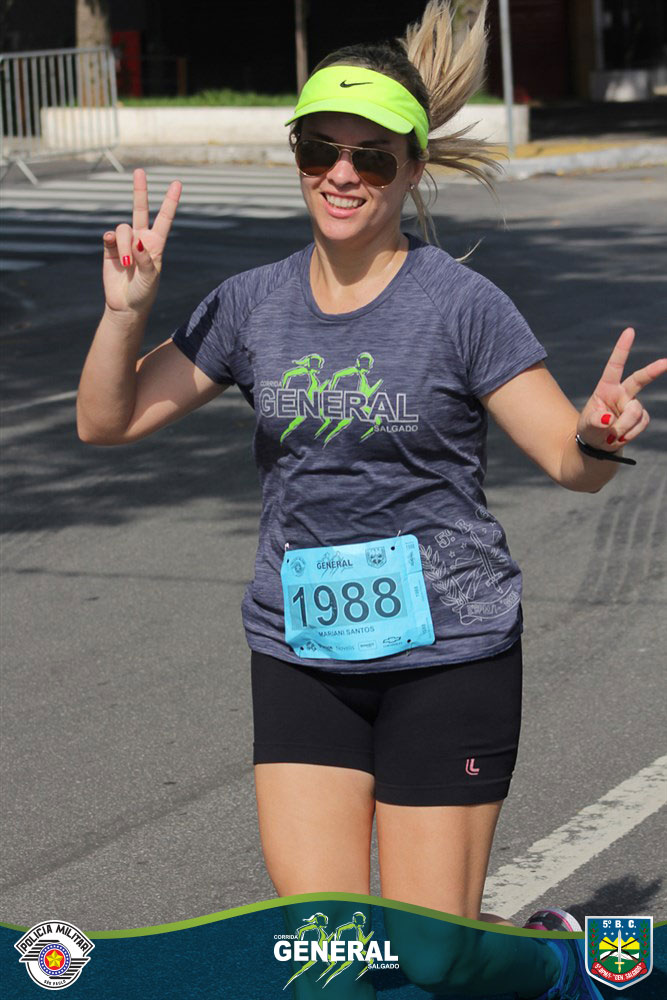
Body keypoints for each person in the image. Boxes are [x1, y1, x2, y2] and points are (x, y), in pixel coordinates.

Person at [76, 2, 665, 997]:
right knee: (330, 963)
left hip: (448, 654)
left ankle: (554, 960)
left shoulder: (460, 306)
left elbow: (571, 465)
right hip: (302, 654)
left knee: (436, 958)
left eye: (372, 157)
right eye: (320, 149)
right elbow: (107, 421)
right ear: (298, 157)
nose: (342, 174)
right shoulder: (251, 304)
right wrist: (122, 313)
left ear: (412, 168)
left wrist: (598, 435)